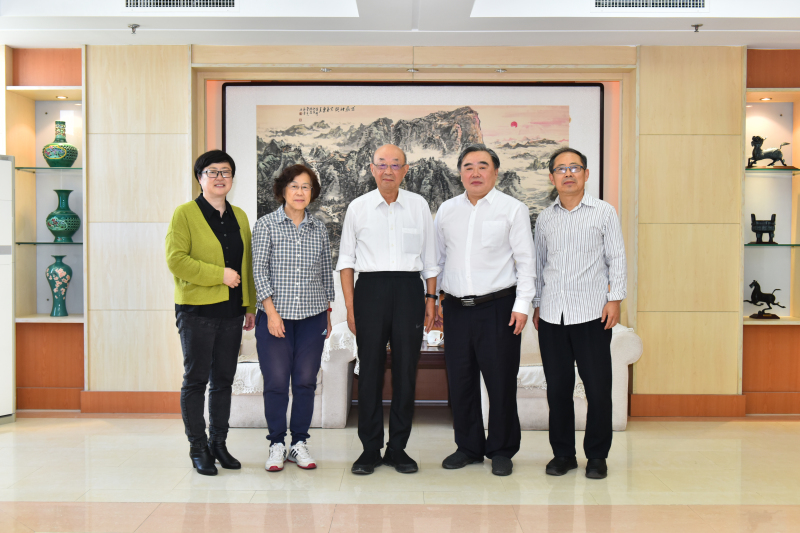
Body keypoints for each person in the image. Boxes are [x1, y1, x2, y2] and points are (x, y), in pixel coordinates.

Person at [434, 143, 535, 477]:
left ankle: (502, 449)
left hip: (498, 307)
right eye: (468, 167)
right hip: (456, 308)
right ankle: (468, 447)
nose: (475, 173)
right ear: (459, 173)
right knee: (460, 380)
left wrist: (522, 305)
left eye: (482, 166)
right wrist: (435, 300)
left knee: (500, 381)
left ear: (495, 172)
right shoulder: (447, 210)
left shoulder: (513, 209)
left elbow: (526, 262)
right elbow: (438, 260)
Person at [337, 144, 439, 475]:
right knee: (369, 371)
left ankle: (398, 448)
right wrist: (350, 308)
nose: (388, 170)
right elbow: (346, 262)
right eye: (382, 164)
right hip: (370, 291)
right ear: (372, 169)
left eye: (395, 164)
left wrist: (431, 300)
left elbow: (430, 259)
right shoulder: (358, 207)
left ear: (405, 170)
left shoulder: (418, 205)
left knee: (406, 371)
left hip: (410, 290)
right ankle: (369, 449)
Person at [532, 147, 627, 480]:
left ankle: (597, 456)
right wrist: (537, 303)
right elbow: (539, 264)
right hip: (552, 316)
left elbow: (617, 258)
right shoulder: (545, 218)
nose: (568, 173)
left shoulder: (604, 212)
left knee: (598, 389)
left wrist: (615, 299)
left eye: (574, 167)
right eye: (561, 169)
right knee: (558, 389)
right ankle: (563, 454)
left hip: (592, 314)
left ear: (586, 174)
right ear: (552, 177)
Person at [166, 149, 257, 476]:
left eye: (226, 172)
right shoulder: (185, 214)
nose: (220, 177)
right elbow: (176, 260)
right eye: (212, 172)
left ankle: (219, 443)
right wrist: (219, 275)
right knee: (196, 380)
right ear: (200, 178)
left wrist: (249, 305)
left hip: (232, 312)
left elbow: (246, 264)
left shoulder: (240, 216)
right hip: (196, 311)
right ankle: (198, 447)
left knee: (223, 381)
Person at [252, 164, 334, 472]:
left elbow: (325, 272)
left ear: (313, 192)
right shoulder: (266, 225)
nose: (300, 192)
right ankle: (276, 443)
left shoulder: (319, 228)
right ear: (283, 190)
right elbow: (259, 270)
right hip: (275, 318)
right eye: (295, 186)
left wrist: (328, 313)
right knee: (275, 382)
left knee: (305, 382)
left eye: (306, 187)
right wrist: (271, 313)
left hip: (313, 317)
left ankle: (299, 442)